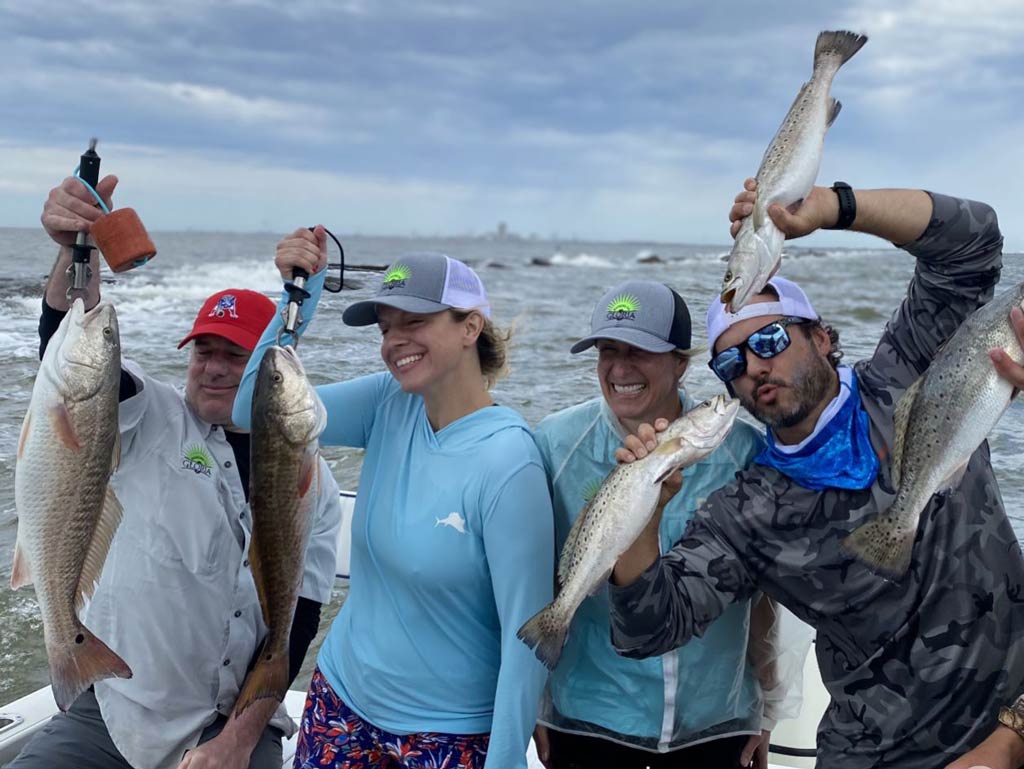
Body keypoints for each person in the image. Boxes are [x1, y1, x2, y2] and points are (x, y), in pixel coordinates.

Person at [608, 179, 1024, 768]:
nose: (753, 365)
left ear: (822, 336)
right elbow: (649, 626)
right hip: (877, 753)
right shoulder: (748, 511)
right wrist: (642, 508)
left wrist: (833, 207)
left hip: (1015, 717)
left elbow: (971, 239)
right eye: (731, 361)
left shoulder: (911, 368)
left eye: (770, 338)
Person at [5, 175, 342, 769]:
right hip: (113, 705)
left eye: (233, 355)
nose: (212, 368)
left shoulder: (310, 483)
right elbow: (71, 352)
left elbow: (297, 623)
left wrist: (233, 745)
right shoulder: (150, 415)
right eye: (202, 351)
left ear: (266, 363)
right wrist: (72, 250)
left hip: (232, 718)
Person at [231, 232, 555, 769]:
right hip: (340, 701)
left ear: (470, 326)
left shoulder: (509, 463)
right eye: (386, 328)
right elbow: (251, 409)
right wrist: (298, 296)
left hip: (446, 735)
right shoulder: (389, 402)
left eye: (415, 322)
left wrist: (504, 760)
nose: (394, 341)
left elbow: (527, 638)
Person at [530, 279, 809, 769]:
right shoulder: (554, 444)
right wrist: (528, 703)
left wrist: (766, 709)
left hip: (716, 725)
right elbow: (523, 583)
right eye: (606, 351)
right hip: (589, 722)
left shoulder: (746, 451)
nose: (619, 369)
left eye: (639, 352)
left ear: (681, 362)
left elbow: (767, 597)